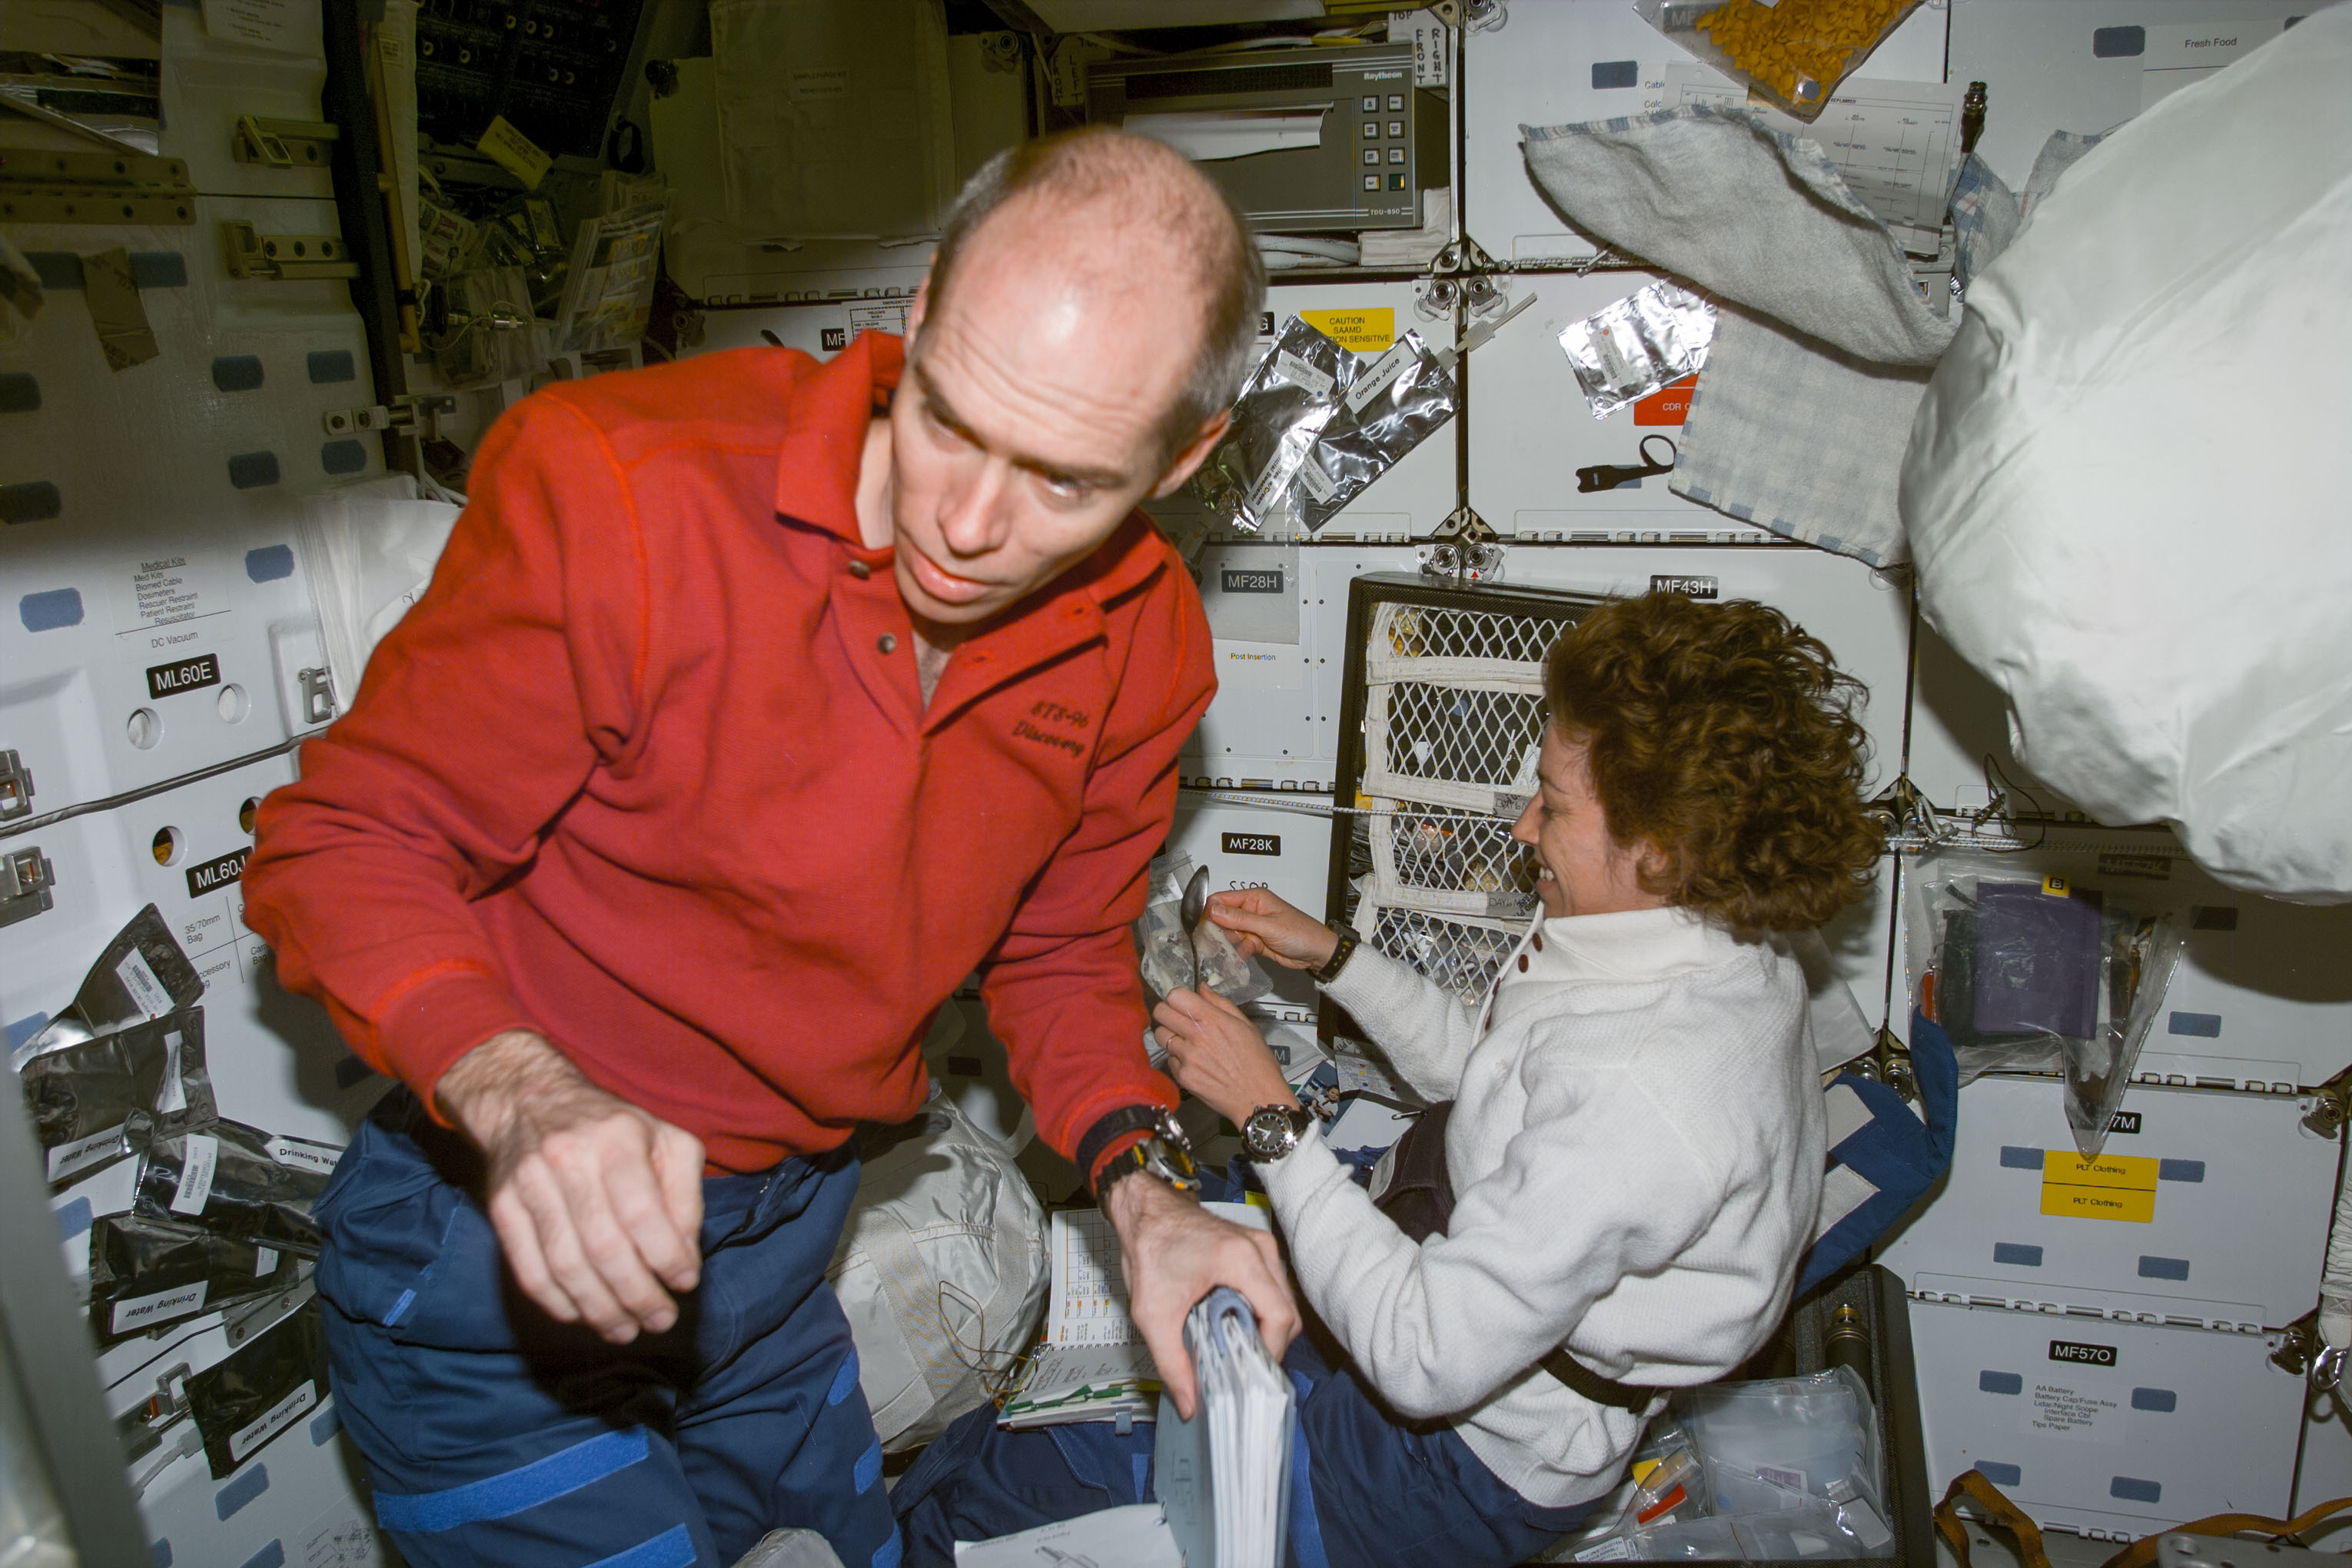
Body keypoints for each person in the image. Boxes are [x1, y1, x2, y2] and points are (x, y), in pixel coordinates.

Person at [239, 128, 1297, 1568]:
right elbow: (342, 839)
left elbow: (1053, 956)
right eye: (946, 418)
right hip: (492, 1252)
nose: (967, 524)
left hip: (781, 1257)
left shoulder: (1147, 639)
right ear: (919, 315)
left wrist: (1146, 1190)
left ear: (1183, 458)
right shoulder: (626, 490)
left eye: (1064, 483)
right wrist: (517, 1087)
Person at [892, 592, 1881, 1567]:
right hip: (1440, 1301)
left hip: (1456, 1457)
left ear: (1661, 850)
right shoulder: (1710, 950)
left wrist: (1271, 1119)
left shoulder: (1650, 1087)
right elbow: (1499, 1080)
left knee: (1009, 1484)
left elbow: (1423, 1356)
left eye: (1557, 805)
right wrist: (1334, 957)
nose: (1524, 827)